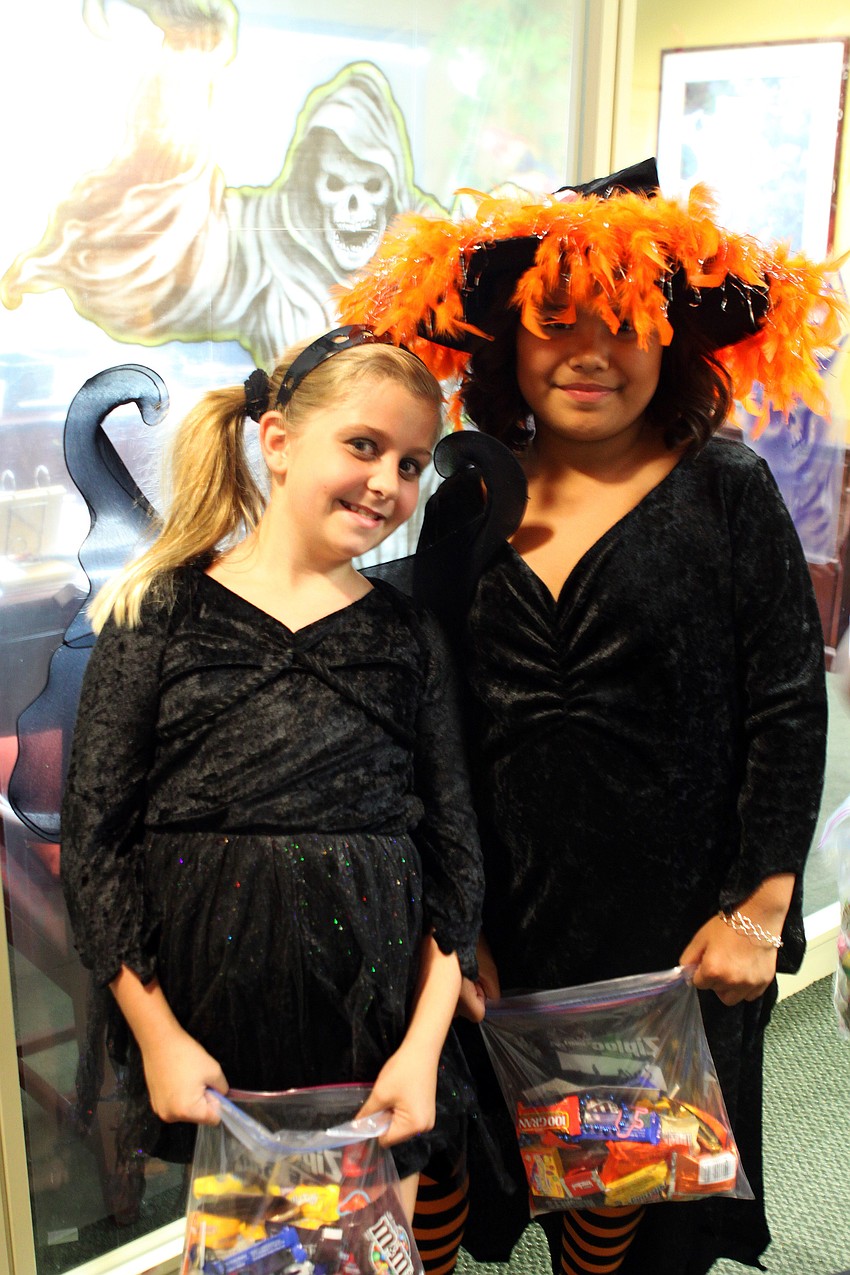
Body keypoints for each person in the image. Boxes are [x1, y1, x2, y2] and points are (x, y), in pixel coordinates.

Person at [336, 162, 845, 1272]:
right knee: (509, 1170)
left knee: (633, 1199)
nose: (587, 353)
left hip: (671, 935)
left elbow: (785, 708)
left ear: (669, 341)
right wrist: (454, 923)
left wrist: (758, 909)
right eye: (552, 322)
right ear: (509, 346)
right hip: (512, 920)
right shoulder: (468, 494)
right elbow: (440, 722)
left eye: (623, 324)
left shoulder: (725, 487)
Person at [59, 324, 484, 1222]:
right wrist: (160, 1034)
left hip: (378, 1030)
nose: (387, 483)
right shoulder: (160, 612)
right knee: (243, 1245)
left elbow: (456, 854)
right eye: (364, 445)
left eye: (412, 464)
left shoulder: (409, 639)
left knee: (367, 1244)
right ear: (279, 441)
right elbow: (97, 846)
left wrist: (422, 1044)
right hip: (212, 1026)